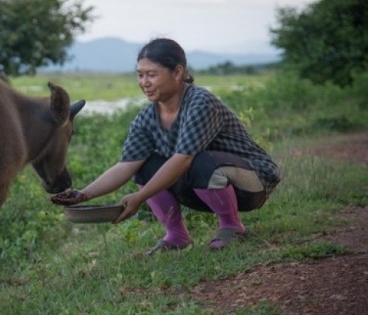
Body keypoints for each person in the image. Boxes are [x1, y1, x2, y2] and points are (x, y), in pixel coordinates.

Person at [52, 38, 281, 254]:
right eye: (140, 75)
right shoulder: (146, 118)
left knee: (197, 161)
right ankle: (176, 236)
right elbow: (126, 166)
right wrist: (83, 195)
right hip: (207, 186)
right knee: (145, 165)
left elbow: (183, 160)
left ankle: (233, 226)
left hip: (252, 182)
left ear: (178, 72)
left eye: (152, 74)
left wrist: (140, 197)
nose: (144, 83)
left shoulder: (200, 103)